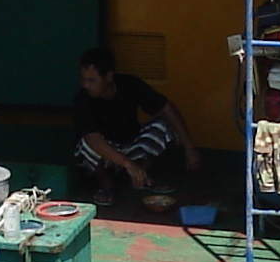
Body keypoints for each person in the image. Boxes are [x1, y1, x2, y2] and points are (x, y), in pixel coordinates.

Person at [73, 43, 199, 206]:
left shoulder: (130, 84)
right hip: (105, 154)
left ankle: (143, 176)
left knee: (164, 125)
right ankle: (106, 185)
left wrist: (189, 148)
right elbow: (93, 140)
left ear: (109, 77)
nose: (86, 85)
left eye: (92, 80)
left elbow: (167, 108)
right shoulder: (82, 99)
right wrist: (127, 164)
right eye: (83, 79)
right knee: (85, 145)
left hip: (132, 146)